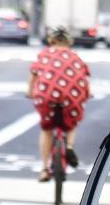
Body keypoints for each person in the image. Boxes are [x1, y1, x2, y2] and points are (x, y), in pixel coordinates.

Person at [28, 27, 90, 182]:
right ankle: (69, 146)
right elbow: (83, 78)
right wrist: (86, 95)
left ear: (51, 40)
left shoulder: (44, 55)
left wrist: (30, 92)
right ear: (69, 42)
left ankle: (44, 168)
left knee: (47, 129)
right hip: (71, 96)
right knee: (72, 122)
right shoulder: (75, 57)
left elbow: (33, 76)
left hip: (47, 96)